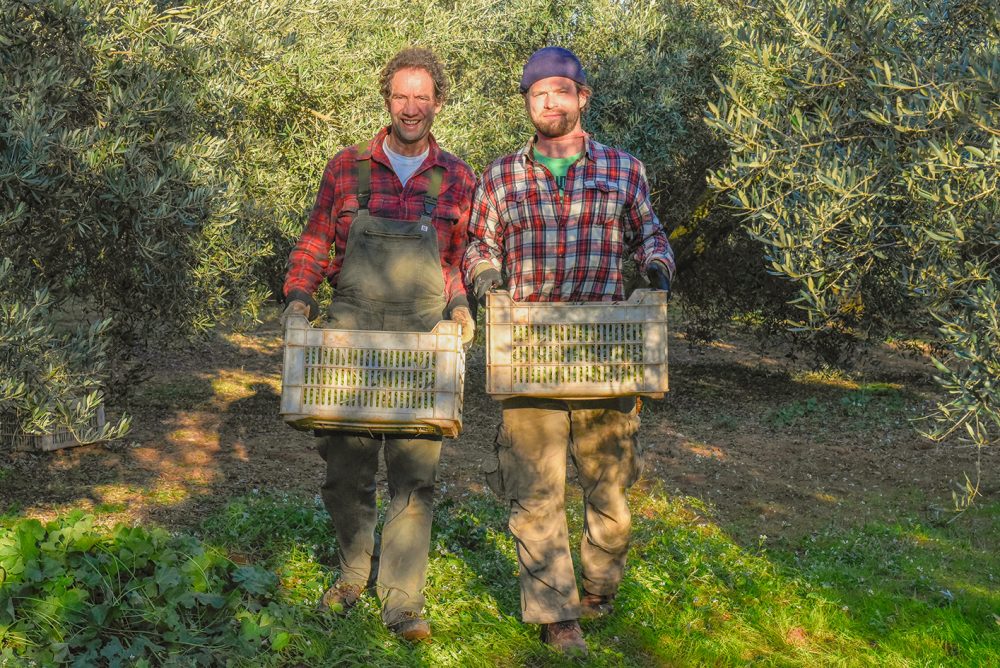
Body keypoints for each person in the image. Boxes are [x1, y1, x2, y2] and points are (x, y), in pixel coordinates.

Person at [463, 46, 675, 656]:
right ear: (527, 102)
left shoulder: (623, 171)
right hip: (527, 356)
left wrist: (657, 272)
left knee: (609, 489)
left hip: (607, 357)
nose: (548, 102)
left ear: (582, 97)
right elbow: (480, 243)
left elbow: (651, 237)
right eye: (537, 93)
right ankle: (556, 612)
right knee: (534, 493)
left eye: (560, 91)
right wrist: (487, 278)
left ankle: (600, 586)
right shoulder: (502, 175)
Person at [281, 47, 476, 642]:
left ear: (438, 102)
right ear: (387, 100)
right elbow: (316, 240)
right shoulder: (347, 169)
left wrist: (463, 307)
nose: (411, 107)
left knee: (415, 474)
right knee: (345, 468)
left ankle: (401, 600)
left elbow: (456, 261)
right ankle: (351, 573)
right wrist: (296, 301)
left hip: (422, 343)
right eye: (401, 95)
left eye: (422, 96)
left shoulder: (459, 178)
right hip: (350, 336)